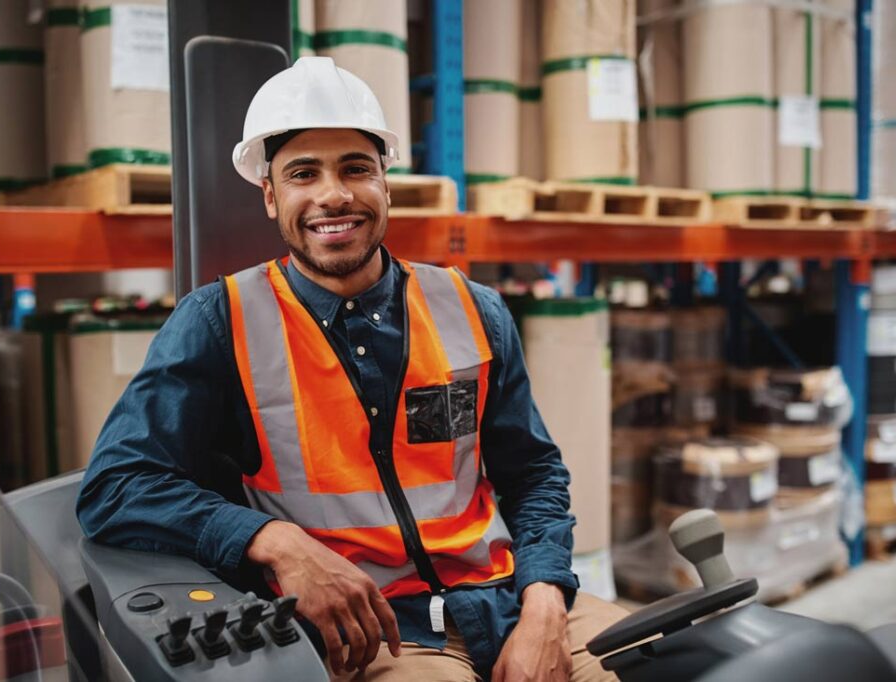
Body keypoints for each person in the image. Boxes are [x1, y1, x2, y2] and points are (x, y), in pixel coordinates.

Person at [76, 56, 626, 681]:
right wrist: (276, 542)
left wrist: (547, 602)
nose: (332, 194)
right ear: (270, 196)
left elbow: (534, 476)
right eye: (303, 173)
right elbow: (115, 487)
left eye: (356, 168)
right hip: (380, 632)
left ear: (386, 185)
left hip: (509, 597)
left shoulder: (474, 309)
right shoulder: (217, 323)